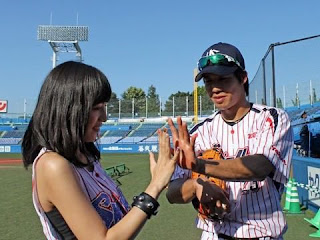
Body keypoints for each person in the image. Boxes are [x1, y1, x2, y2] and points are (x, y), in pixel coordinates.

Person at [22, 61, 179, 240]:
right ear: (68, 110)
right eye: (96, 108)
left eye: (104, 107)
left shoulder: (86, 157)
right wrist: (155, 185)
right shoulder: (53, 165)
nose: (104, 117)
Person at [166, 42, 294, 240]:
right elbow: (172, 193)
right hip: (213, 235)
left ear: (243, 78)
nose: (215, 88)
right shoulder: (200, 131)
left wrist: (200, 165)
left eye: (223, 79)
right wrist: (196, 186)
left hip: (261, 234)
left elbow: (260, 166)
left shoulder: (271, 119)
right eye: (208, 81)